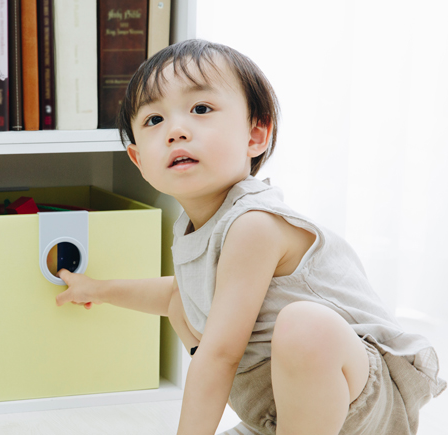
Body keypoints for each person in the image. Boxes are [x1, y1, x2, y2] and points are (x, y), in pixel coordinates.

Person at [54, 39, 445, 435]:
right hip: (279, 412)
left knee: (303, 325)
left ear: (255, 136)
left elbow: (219, 356)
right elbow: (178, 292)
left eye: (201, 109)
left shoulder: (253, 224)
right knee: (182, 305)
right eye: (154, 120)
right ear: (138, 160)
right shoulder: (194, 226)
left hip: (359, 404)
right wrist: (98, 289)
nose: (176, 130)